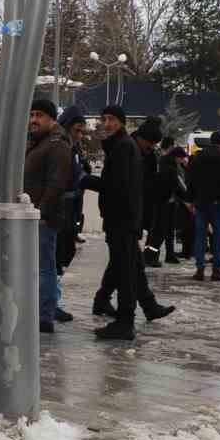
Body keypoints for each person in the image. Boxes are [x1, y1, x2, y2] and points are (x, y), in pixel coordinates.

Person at [84, 107, 174, 340]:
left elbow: (117, 186)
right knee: (132, 267)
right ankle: (147, 307)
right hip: (125, 218)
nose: (107, 123)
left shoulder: (124, 147)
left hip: (121, 219)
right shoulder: (123, 146)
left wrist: (85, 180)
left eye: (112, 119)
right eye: (104, 119)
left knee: (125, 271)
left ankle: (125, 322)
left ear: (122, 123)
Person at [24, 98, 73, 334]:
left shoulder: (56, 144)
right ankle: (39, 310)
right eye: (32, 115)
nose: (33, 120)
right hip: (33, 215)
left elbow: (56, 183)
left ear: (52, 118)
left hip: (43, 217)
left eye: (39, 115)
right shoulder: (40, 142)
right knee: (38, 267)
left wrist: (40, 212)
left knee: (45, 267)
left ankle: (45, 315)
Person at [53, 107, 90, 322]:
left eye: (81, 131)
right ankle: (50, 302)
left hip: (71, 212)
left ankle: (52, 299)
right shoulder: (61, 147)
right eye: (76, 130)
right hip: (61, 212)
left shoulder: (73, 149)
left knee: (63, 255)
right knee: (56, 259)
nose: (79, 135)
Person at [185, 131, 220, 280]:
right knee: (218, 237)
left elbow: (190, 178)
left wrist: (191, 199)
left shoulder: (198, 157)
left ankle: (199, 269)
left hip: (201, 202)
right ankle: (216, 271)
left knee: (200, 236)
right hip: (218, 204)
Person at [135, 118, 166, 267]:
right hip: (137, 199)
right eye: (151, 143)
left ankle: (148, 256)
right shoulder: (131, 149)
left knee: (155, 229)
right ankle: (142, 257)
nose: (153, 146)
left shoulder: (149, 152)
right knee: (135, 231)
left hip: (148, 198)